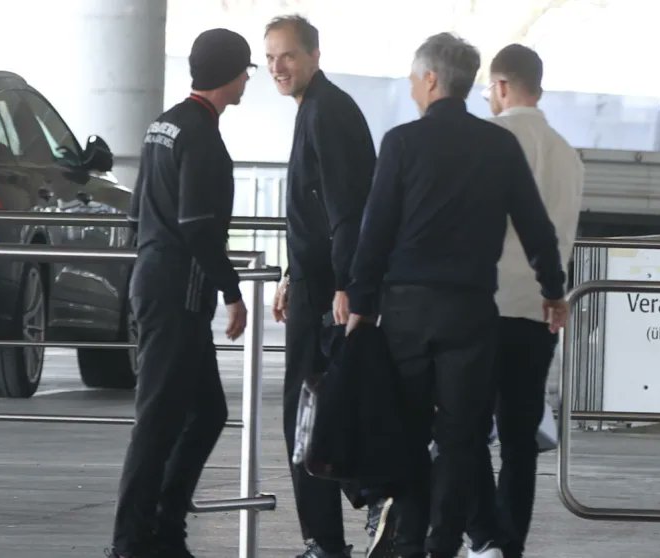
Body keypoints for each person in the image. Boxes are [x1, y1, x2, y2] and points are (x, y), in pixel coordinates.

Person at [346, 32, 569, 558]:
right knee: (460, 437)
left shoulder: (401, 143)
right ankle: (445, 543)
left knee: (409, 429)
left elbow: (374, 233)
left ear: (429, 79)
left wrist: (360, 304)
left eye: (412, 78)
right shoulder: (498, 145)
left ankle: (407, 541)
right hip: (471, 311)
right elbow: (536, 228)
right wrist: (553, 290)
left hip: (406, 311)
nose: (410, 87)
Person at [109, 28, 254, 558]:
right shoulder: (203, 138)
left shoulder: (163, 125)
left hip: (154, 278)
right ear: (232, 74)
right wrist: (232, 292)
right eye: (245, 72)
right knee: (158, 419)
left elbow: (137, 210)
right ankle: (131, 541)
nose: (247, 82)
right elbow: (198, 226)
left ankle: (165, 526)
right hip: (178, 292)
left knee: (207, 412)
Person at [464, 44, 583, 558]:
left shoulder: (487, 142)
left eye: (489, 88)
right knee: (519, 440)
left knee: (462, 429)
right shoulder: (567, 154)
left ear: (503, 86)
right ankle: (507, 544)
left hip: (483, 307)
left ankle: (483, 532)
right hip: (539, 309)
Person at [264, 14, 376, 558]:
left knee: (309, 415)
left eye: (286, 55)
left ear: (313, 55)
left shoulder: (327, 112)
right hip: (313, 283)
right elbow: (311, 210)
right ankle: (332, 531)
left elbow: (345, 209)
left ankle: (328, 540)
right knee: (319, 410)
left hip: (327, 293)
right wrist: (291, 272)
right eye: (269, 58)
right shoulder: (315, 108)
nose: (277, 67)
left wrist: (344, 283)